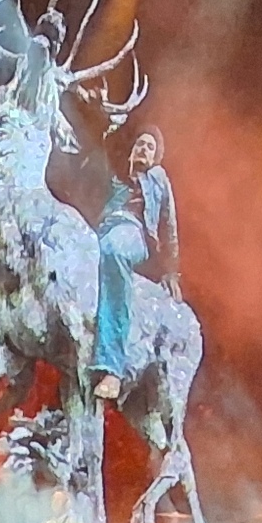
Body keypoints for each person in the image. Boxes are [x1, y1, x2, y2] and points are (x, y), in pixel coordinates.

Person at [90, 125, 180, 402]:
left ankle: (113, 368)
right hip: (101, 230)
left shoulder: (157, 178)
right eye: (140, 143)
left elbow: (169, 225)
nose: (144, 148)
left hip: (133, 232)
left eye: (150, 147)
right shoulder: (115, 180)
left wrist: (171, 271)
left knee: (113, 250)